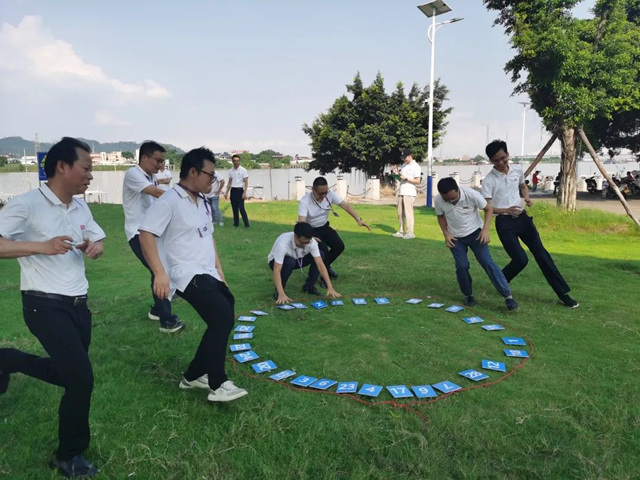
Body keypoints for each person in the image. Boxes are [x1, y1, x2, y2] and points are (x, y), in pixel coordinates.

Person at [0, 137, 105, 478]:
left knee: (67, 374)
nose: (90, 175)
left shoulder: (79, 206)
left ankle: (7, 359)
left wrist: (94, 246)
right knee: (81, 379)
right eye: (86, 168)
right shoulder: (26, 204)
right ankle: (69, 455)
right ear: (63, 166)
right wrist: (41, 246)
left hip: (78, 302)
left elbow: (97, 237)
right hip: (43, 304)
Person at [139, 147, 248, 402]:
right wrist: (159, 273)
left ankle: (193, 375)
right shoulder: (170, 201)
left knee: (226, 310)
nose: (213, 180)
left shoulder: (201, 202)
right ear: (192, 171)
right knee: (221, 316)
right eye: (210, 175)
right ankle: (218, 382)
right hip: (184, 273)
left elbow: (207, 237)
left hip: (207, 270)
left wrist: (219, 269)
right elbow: (146, 233)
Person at [482, 140, 578, 308]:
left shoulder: (517, 170)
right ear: (491, 161)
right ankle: (501, 280)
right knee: (520, 259)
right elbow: (488, 208)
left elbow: (523, 186)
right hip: (505, 223)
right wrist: (506, 211)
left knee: (542, 254)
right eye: (496, 160)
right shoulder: (489, 180)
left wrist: (527, 197)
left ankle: (563, 294)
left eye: (503, 158)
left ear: (507, 154)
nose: (501, 162)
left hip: (523, 219)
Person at [123, 141, 184, 333]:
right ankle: (167, 321)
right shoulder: (133, 174)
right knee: (160, 272)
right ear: (144, 158)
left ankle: (158, 310)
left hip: (151, 232)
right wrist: (185, 200)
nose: (160, 165)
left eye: (162, 161)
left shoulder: (150, 176)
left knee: (157, 270)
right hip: (138, 234)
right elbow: (157, 193)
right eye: (158, 160)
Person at [435, 178, 519, 310]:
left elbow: (489, 209)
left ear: (458, 190)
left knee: (487, 262)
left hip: (476, 234)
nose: (450, 201)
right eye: (447, 199)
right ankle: (468, 295)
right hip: (456, 238)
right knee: (462, 266)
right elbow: (440, 216)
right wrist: (446, 234)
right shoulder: (439, 199)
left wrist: (485, 230)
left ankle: (508, 297)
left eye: (453, 197)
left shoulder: (471, 194)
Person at [297, 177, 371, 289]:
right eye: (320, 194)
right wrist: (310, 237)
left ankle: (325, 267)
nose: (323, 196)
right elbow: (302, 222)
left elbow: (345, 205)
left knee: (339, 246)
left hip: (324, 227)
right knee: (323, 250)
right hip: (311, 230)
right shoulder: (305, 201)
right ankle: (323, 278)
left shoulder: (330, 194)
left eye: (325, 193)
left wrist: (358, 219)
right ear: (313, 189)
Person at [268, 222, 341, 303]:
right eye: (302, 242)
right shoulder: (283, 244)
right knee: (290, 262)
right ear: (295, 236)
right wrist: (281, 293)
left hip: (298, 258)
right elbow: (277, 270)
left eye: (307, 242)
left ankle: (309, 287)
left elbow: (320, 265)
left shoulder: (311, 242)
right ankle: (279, 291)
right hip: (276, 262)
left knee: (320, 254)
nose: (304, 245)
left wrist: (330, 287)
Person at [392, 148, 422, 239]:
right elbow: (401, 178)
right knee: (400, 212)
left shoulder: (416, 166)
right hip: (401, 190)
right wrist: (396, 174)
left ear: (409, 156)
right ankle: (401, 231)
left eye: (405, 157)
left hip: (409, 192)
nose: (403, 159)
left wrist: (406, 178)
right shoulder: (404, 165)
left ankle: (410, 232)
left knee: (408, 212)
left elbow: (418, 181)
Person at [224, 154, 249, 228]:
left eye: (237, 161)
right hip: (233, 190)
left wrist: (244, 192)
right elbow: (229, 182)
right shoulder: (231, 171)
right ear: (232, 161)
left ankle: (246, 224)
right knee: (234, 208)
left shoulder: (243, 170)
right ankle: (236, 223)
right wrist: (226, 192)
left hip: (240, 190)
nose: (236, 162)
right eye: (234, 161)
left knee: (241, 208)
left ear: (239, 161)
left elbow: (246, 182)